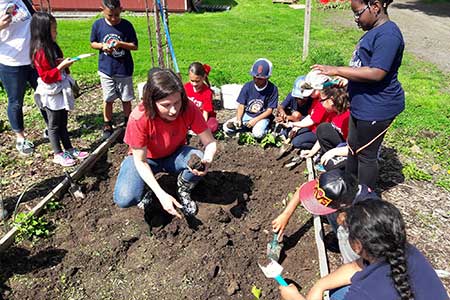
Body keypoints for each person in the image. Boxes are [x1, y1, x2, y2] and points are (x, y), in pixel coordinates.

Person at [312, 0, 405, 190]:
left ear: (376, 7)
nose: (355, 19)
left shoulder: (389, 35)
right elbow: (363, 65)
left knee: (366, 155)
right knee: (353, 147)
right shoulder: (373, 32)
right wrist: (348, 79)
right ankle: (350, 187)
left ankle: (364, 198)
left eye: (358, 13)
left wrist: (337, 70)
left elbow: (377, 72)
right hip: (361, 104)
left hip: (377, 107)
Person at [278, 199, 448, 300]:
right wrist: (319, 285)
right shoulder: (403, 249)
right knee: (336, 290)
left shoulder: (364, 293)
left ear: (357, 245)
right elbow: (357, 266)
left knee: (339, 294)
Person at [113, 68, 217, 217]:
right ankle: (146, 188)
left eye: (177, 102)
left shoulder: (188, 108)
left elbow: (210, 142)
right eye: (166, 105)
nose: (174, 110)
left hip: (175, 154)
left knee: (198, 158)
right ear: (152, 102)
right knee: (124, 198)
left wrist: (208, 158)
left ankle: (183, 186)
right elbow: (141, 161)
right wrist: (161, 194)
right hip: (146, 160)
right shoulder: (139, 118)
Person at [30, 12, 89, 167]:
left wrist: (63, 64)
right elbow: (46, 76)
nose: (56, 32)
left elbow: (54, 65)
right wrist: (61, 67)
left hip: (59, 89)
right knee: (54, 124)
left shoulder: (52, 47)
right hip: (50, 92)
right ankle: (58, 153)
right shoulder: (39, 52)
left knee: (63, 122)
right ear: (43, 31)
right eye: (53, 29)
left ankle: (68, 148)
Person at [0, 0, 48, 155]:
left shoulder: (20, 0)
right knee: (15, 101)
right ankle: (20, 138)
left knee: (45, 94)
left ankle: (52, 128)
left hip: (33, 59)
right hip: (11, 62)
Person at [90, 0, 138, 140]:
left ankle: (128, 121)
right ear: (102, 10)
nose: (114, 18)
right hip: (106, 69)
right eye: (110, 15)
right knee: (108, 98)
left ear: (121, 9)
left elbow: (134, 46)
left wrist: (121, 44)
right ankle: (107, 123)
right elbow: (92, 43)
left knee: (126, 97)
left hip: (124, 68)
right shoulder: (98, 25)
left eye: (117, 15)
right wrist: (102, 46)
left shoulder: (126, 26)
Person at [223, 58, 278, 139]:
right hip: (247, 115)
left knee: (258, 134)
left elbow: (269, 110)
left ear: (267, 78)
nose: (256, 80)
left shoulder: (273, 89)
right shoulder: (247, 86)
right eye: (254, 77)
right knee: (226, 127)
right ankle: (245, 128)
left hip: (262, 117)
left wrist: (255, 120)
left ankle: (267, 128)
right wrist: (239, 119)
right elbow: (241, 105)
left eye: (260, 79)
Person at [300, 85, 350, 170]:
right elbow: (324, 135)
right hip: (343, 144)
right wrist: (312, 152)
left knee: (329, 165)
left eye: (322, 101)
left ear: (330, 101)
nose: (320, 103)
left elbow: (354, 149)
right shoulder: (333, 113)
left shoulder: (348, 118)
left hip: (354, 152)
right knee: (322, 128)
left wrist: (332, 152)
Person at [274, 75, 313, 141]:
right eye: (298, 98)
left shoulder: (311, 101)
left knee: (296, 114)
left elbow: (305, 118)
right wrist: (283, 113)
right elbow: (281, 106)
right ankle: (281, 129)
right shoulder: (292, 96)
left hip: (303, 122)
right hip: (291, 120)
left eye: (303, 99)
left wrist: (288, 117)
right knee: (281, 112)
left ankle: (285, 133)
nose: (300, 101)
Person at [184, 62, 218, 133]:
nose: (194, 84)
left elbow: (205, 113)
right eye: (192, 81)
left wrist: (201, 126)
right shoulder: (186, 88)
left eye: (197, 81)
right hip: (190, 115)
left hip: (204, 116)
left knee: (212, 126)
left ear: (203, 77)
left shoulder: (207, 92)